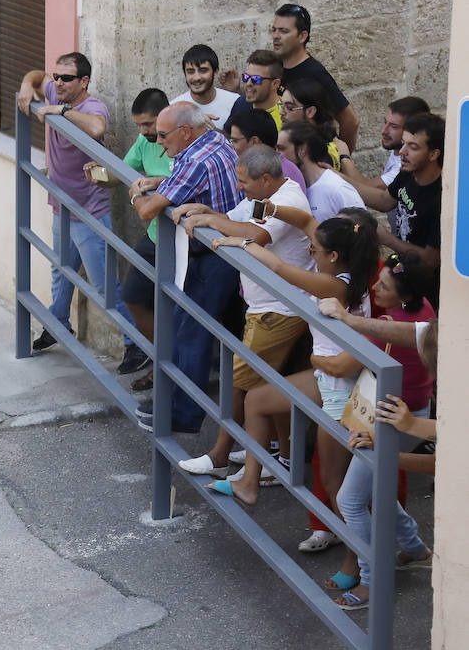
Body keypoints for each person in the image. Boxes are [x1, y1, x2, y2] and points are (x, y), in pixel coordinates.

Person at [206, 204, 379, 508]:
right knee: (257, 400)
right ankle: (248, 484)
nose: (311, 249)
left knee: (334, 483)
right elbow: (305, 220)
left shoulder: (335, 285)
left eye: (316, 249)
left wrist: (245, 243)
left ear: (334, 255)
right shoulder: (340, 262)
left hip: (340, 390)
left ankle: (359, 556)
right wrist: (268, 208)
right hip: (324, 376)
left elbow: (280, 269)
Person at [172, 145, 312, 477]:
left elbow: (254, 235)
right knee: (267, 386)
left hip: (279, 310)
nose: (239, 187)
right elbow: (232, 219)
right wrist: (205, 211)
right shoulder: (263, 193)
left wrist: (210, 219)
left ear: (266, 179)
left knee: (240, 384)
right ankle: (276, 458)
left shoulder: (289, 199)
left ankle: (221, 453)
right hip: (264, 308)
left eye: (244, 182)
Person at [309, 252, 435, 608]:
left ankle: (370, 582)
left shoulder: (400, 327)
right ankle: (414, 548)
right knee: (375, 490)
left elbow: (337, 365)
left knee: (350, 499)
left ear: (404, 296)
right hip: (399, 414)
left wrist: (315, 357)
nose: (376, 287)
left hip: (395, 421)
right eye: (378, 280)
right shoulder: (422, 308)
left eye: (385, 285)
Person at [17, 52, 145, 369]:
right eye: (56, 77)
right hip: (62, 206)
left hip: (89, 213)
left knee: (104, 286)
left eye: (66, 78)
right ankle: (57, 324)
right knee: (61, 272)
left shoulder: (91, 106)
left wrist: (61, 111)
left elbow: (97, 127)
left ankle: (137, 346)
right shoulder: (53, 89)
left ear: (83, 81)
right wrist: (25, 85)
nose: (57, 83)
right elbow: (36, 75)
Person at [128, 102, 241, 432]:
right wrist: (162, 181)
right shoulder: (215, 140)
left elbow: (148, 211)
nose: (158, 141)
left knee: (189, 332)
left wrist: (138, 192)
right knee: (224, 336)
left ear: (186, 132)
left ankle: (182, 414)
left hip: (214, 257)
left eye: (162, 135)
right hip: (228, 252)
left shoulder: (193, 160)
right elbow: (185, 181)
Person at [82, 87, 174, 378]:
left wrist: (147, 188)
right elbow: (121, 174)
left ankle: (171, 369)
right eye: (140, 126)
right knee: (133, 295)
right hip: (157, 235)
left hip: (186, 243)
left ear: (165, 116)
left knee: (179, 311)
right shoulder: (144, 141)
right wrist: (100, 174)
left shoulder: (184, 142)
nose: (145, 131)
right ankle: (158, 358)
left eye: (149, 124)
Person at [347, 112, 444, 309]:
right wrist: (336, 176)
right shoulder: (409, 172)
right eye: (404, 144)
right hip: (404, 274)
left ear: (434, 154)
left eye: (413, 147)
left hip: (428, 292)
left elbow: (430, 260)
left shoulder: (441, 198)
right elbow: (384, 200)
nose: (402, 152)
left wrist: (386, 238)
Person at [271, 3, 360, 151]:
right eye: (273, 30)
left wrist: (342, 159)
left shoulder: (315, 74)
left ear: (302, 36)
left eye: (283, 31)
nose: (276, 36)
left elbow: (351, 121)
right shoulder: (274, 66)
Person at [335, 96, 430, 191]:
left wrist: (344, 156)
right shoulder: (397, 149)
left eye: (393, 126)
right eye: (385, 122)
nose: (384, 131)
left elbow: (367, 187)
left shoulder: (405, 165)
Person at [278, 121, 365, 222]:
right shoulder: (293, 187)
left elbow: (363, 229)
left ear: (302, 149)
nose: (278, 154)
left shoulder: (337, 189)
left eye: (282, 149)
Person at [226, 109, 306, 192]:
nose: (232, 146)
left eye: (235, 141)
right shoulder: (273, 167)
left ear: (254, 142)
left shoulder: (279, 175)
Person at [172, 44, 248, 130]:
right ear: (184, 73)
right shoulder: (173, 108)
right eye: (190, 71)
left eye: (203, 71)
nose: (197, 77)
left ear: (215, 71)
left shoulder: (234, 102)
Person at [278, 77, 346, 170]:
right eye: (281, 106)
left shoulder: (320, 154)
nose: (281, 112)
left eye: (289, 107)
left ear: (310, 111)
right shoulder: (303, 142)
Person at [222, 50, 284, 132]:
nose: (248, 83)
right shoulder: (241, 103)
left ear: (275, 83)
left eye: (256, 79)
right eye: (246, 77)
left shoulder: (285, 115)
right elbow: (228, 136)